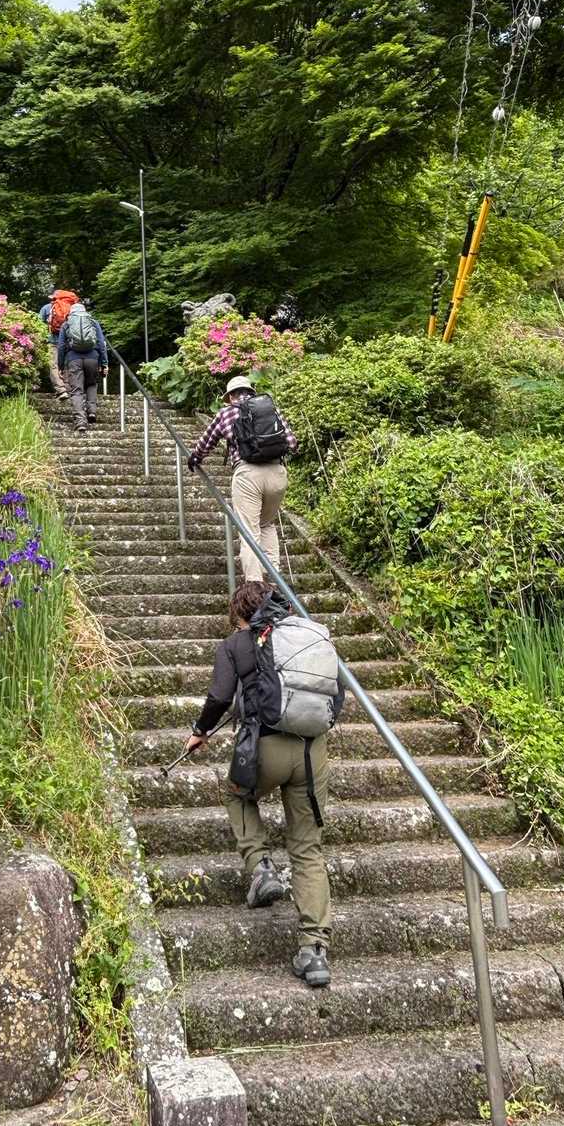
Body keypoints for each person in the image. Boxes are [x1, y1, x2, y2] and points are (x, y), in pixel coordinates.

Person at [184, 580, 334, 988]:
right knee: (307, 849)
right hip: (312, 753)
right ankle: (314, 951)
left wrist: (200, 731)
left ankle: (261, 866)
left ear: (241, 615)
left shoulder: (236, 644)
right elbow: (334, 696)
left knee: (237, 795)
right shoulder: (308, 637)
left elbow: (219, 696)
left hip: (264, 750)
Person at [187, 375, 297, 583]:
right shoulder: (270, 410)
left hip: (248, 475)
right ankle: (274, 582)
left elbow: (206, 442)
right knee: (266, 524)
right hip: (277, 474)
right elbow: (292, 443)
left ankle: (256, 587)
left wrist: (195, 458)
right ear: (251, 393)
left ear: (230, 397)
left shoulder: (226, 413)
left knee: (249, 533)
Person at [57, 297, 107, 434]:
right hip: (93, 358)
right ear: (85, 312)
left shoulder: (66, 324)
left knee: (76, 390)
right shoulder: (93, 322)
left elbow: (61, 346)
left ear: (71, 312)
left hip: (73, 359)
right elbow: (101, 343)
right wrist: (104, 363)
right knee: (91, 384)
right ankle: (92, 412)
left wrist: (60, 366)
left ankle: (80, 421)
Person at [39, 288, 74, 402]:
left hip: (52, 341)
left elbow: (39, 324)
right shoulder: (71, 308)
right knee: (66, 365)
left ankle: (61, 390)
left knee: (54, 365)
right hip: (68, 342)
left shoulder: (46, 308)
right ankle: (68, 388)